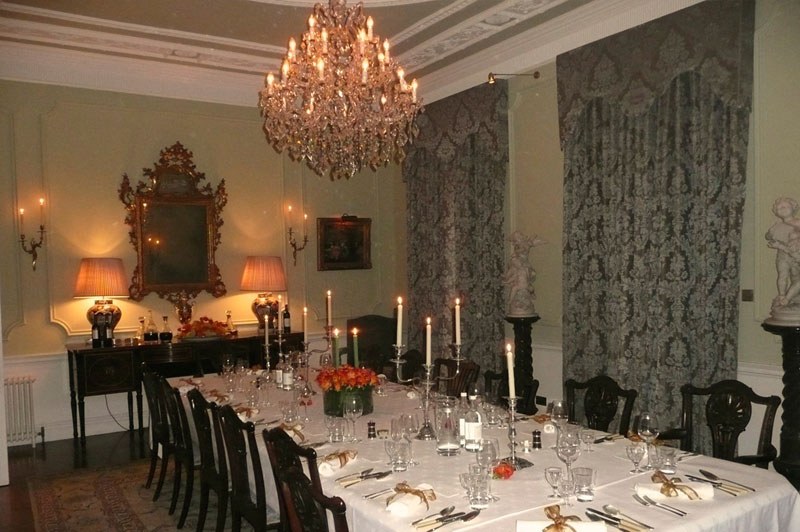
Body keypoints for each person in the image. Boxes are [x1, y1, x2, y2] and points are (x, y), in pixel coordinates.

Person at [766, 197, 800, 309]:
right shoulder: (778, 225)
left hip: (796, 255)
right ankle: (782, 296)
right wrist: (771, 232)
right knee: (782, 275)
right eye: (780, 208)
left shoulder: (798, 222)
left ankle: (791, 297)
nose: (783, 209)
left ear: (793, 208)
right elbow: (768, 236)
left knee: (796, 278)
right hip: (782, 255)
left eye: (785, 206)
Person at [504, 231, 546, 316]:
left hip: (524, 264)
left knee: (524, 279)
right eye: (515, 240)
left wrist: (538, 240)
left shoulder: (525, 245)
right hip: (519, 265)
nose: (516, 242)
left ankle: (531, 294)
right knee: (513, 270)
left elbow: (525, 248)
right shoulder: (517, 249)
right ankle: (507, 278)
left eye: (517, 239)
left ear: (520, 238)